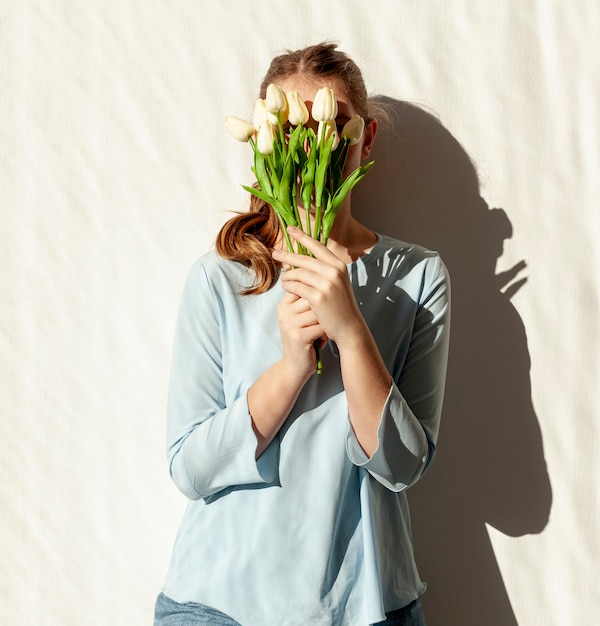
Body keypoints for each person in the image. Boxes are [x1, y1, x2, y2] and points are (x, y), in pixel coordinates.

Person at [154, 42, 450, 626]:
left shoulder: (418, 276)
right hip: (218, 606)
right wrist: (291, 367)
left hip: (366, 607)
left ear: (366, 141)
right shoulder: (222, 278)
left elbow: (402, 465)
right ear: (266, 141)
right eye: (289, 125)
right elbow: (189, 469)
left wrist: (352, 331)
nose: (312, 143)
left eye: (334, 126)